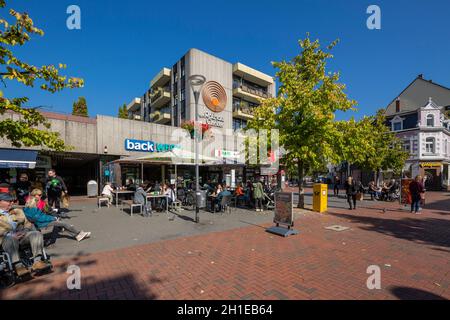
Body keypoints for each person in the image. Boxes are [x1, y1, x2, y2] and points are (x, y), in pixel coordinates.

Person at [0, 192, 50, 276]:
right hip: (5, 239)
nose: (12, 203)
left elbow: (27, 223)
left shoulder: (17, 210)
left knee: (36, 233)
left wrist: (25, 231)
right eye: (9, 201)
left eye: (12, 201)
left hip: (21, 236)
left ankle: (37, 262)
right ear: (0, 202)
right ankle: (18, 266)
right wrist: (9, 234)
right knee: (11, 239)